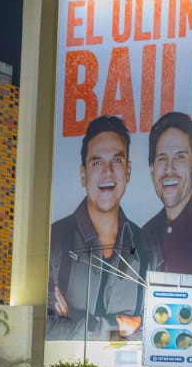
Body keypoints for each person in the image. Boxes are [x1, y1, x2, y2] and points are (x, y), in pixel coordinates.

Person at [47, 115, 151, 341]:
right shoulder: (55, 240)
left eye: (116, 161)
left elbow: (153, 330)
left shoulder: (146, 247)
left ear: (128, 171)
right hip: (65, 362)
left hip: (127, 365)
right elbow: (47, 327)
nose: (107, 171)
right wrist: (117, 326)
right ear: (83, 174)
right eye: (96, 162)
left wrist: (74, 320)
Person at [142, 111, 192, 277]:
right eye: (162, 158)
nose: (169, 169)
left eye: (179, 157)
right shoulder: (147, 233)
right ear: (151, 170)